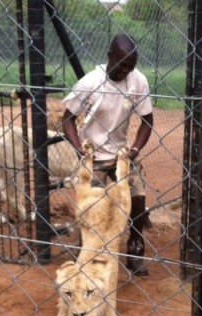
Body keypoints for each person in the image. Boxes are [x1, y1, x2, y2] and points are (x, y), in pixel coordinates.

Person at [62, 33, 154, 276]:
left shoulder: (138, 81)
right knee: (92, 207)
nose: (125, 71)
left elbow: (148, 120)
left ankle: (135, 250)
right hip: (93, 155)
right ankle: (85, 250)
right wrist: (80, 149)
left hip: (122, 155)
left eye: (130, 66)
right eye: (121, 64)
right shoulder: (90, 82)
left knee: (138, 199)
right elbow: (68, 119)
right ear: (109, 56)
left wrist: (134, 150)